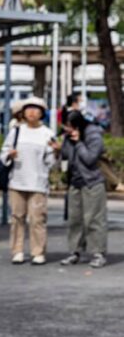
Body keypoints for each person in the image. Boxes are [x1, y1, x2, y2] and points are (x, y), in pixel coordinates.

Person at [0, 97, 55, 265]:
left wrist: (56, 152)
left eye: (36, 109)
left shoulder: (47, 133)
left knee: (38, 219)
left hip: (38, 183)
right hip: (17, 182)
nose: (31, 112)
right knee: (17, 217)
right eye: (28, 109)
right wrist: (9, 155)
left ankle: (38, 252)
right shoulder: (16, 131)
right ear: (23, 112)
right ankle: (17, 251)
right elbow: (3, 153)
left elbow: (52, 161)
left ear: (42, 113)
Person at [60, 110, 109, 268]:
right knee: (75, 219)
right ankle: (74, 252)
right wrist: (65, 142)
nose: (66, 128)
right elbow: (66, 156)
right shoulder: (69, 137)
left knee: (93, 219)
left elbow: (90, 159)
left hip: (92, 182)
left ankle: (98, 253)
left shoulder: (93, 135)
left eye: (68, 125)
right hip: (75, 182)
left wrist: (79, 142)